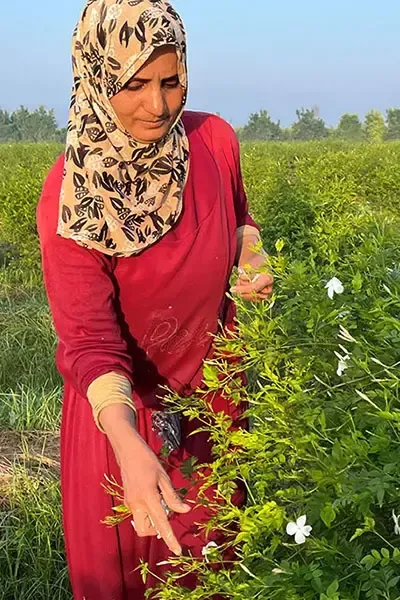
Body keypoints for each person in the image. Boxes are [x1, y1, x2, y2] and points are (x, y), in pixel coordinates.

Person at [36, 1, 274, 598]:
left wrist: (252, 260)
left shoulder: (213, 143)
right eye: (135, 84)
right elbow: (90, 343)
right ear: (95, 78)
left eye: (171, 81)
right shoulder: (72, 196)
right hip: (122, 422)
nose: (159, 105)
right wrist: (130, 446)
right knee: (129, 577)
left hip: (213, 411)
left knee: (213, 575)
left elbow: (243, 223)